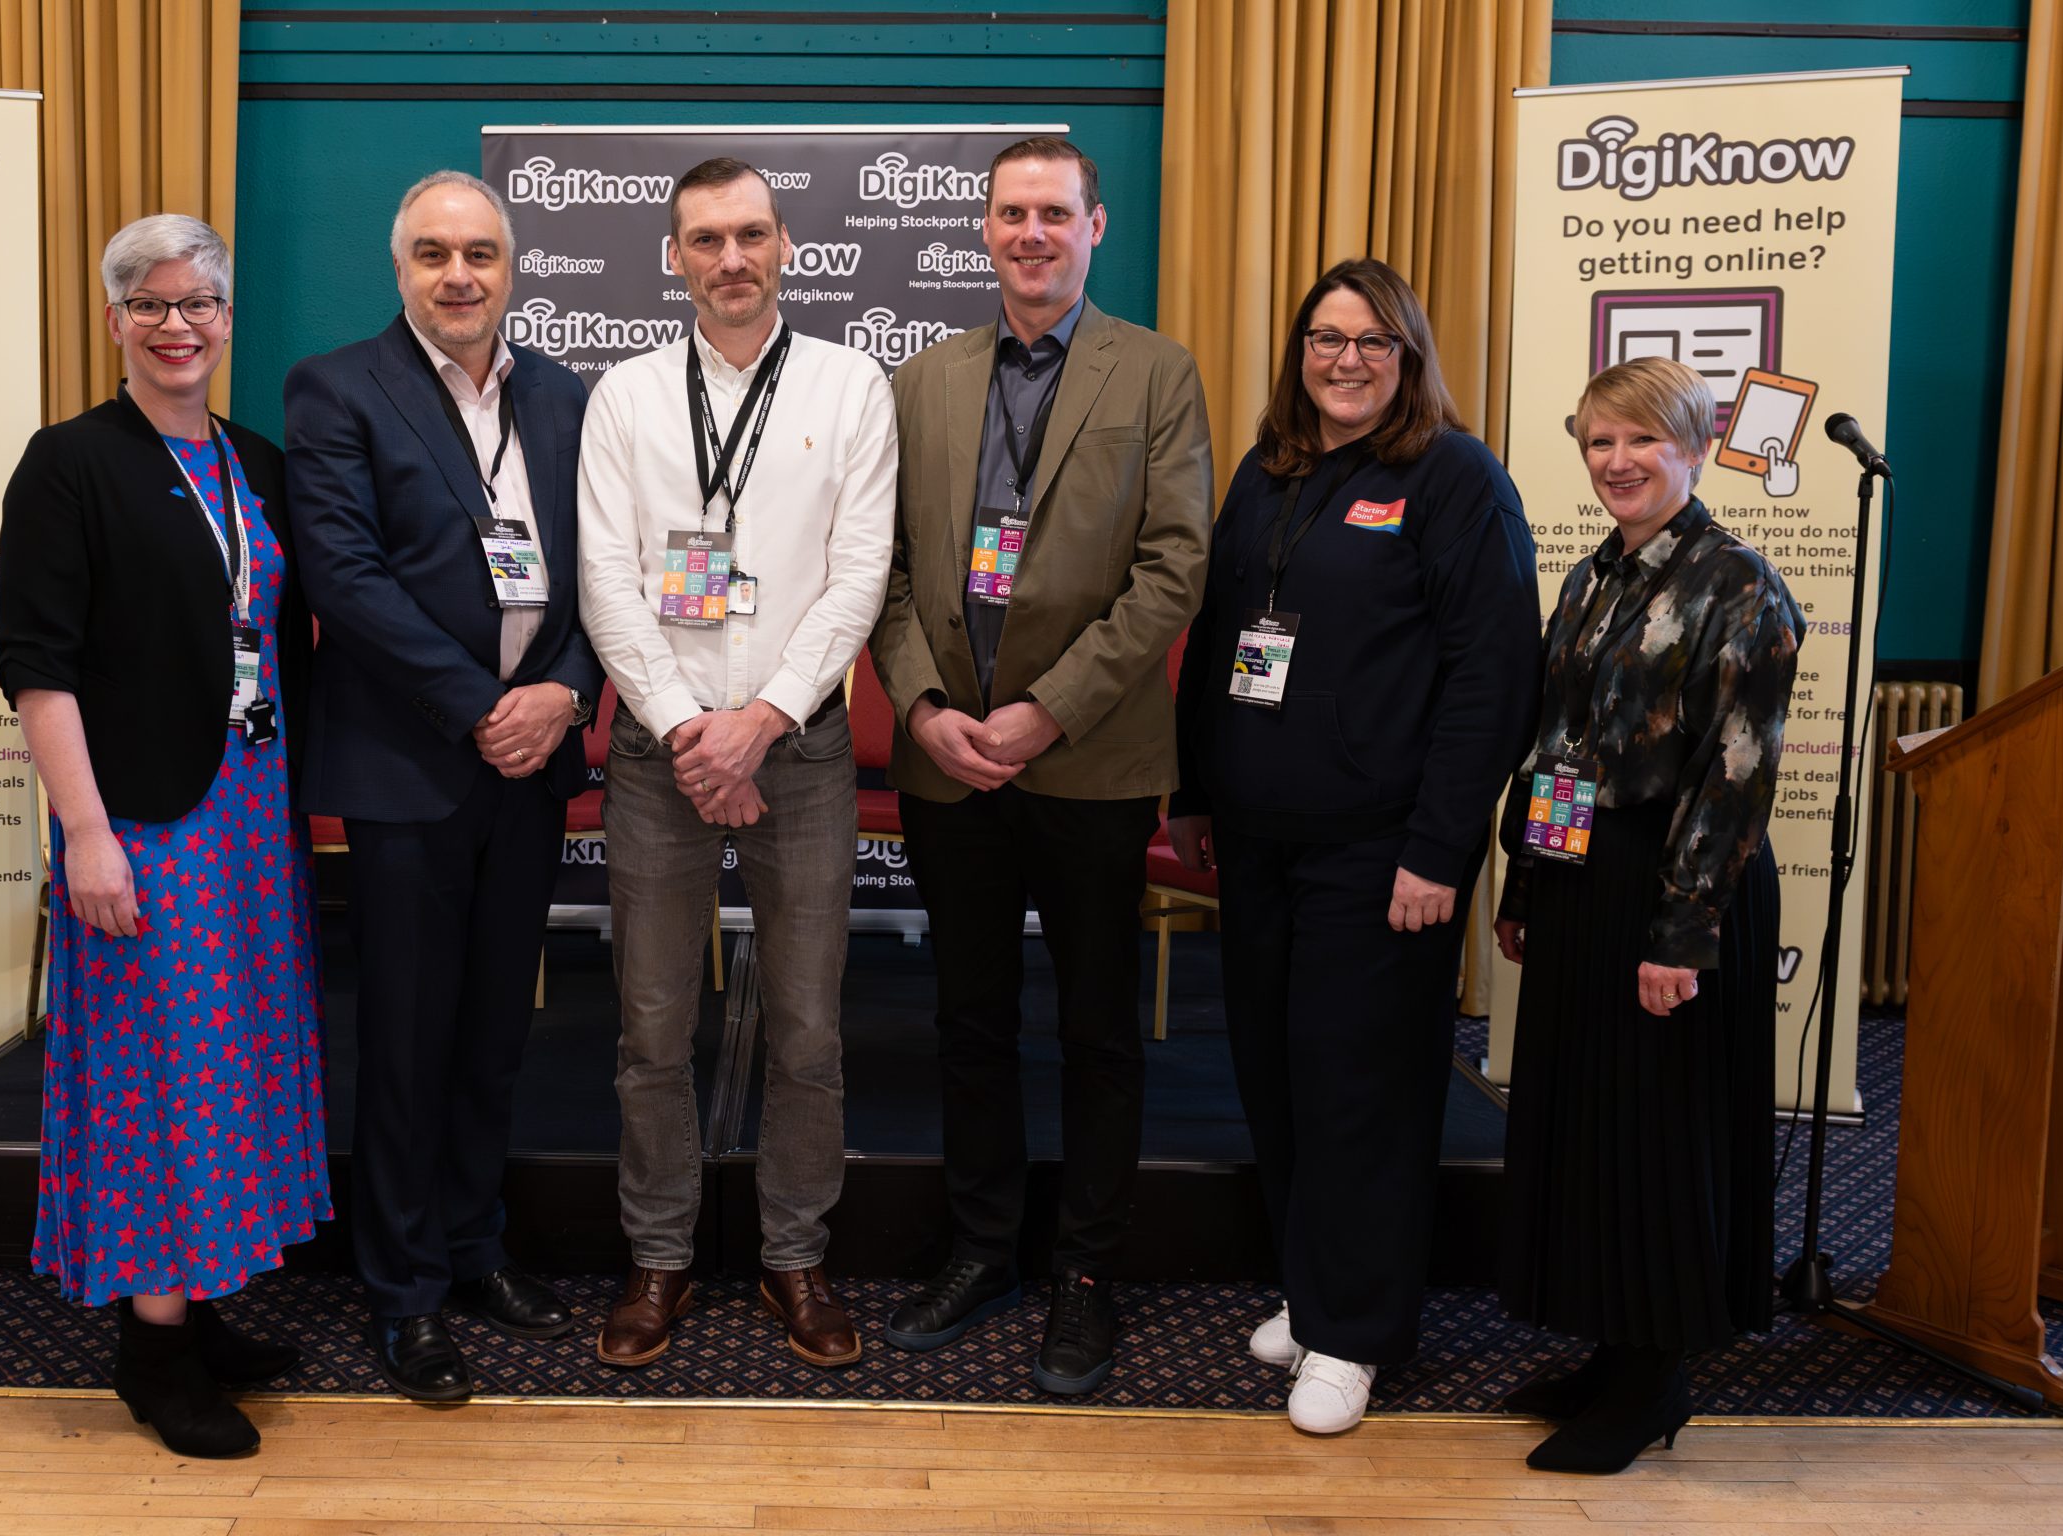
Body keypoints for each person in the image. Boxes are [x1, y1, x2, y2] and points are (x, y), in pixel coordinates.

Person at [1168, 257, 1540, 1433]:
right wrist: (1192, 795)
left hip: (1380, 852)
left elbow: (1494, 679)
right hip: (1259, 836)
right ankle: (1313, 1283)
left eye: (1372, 342)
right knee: (1278, 1075)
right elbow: (1222, 637)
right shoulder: (1269, 470)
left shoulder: (1453, 478)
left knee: (1360, 1091)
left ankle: (1359, 1330)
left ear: (1409, 354)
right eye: (1325, 339)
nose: (1345, 360)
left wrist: (1441, 852)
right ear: (1299, 352)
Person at [869, 135, 1212, 1396]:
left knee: (1096, 1031)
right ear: (983, 232)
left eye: (1053, 214)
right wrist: (919, 708)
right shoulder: (923, 381)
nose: (1031, 234)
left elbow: (1176, 566)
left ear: (1095, 226)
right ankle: (981, 1249)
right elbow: (887, 571)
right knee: (969, 1021)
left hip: (1091, 766)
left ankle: (1085, 1273)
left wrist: (1045, 715)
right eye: (1011, 214)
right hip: (950, 762)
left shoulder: (1157, 373)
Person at [0, 213, 326, 1458]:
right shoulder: (68, 462)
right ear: (116, 321)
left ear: (228, 321)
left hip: (246, 815)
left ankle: (201, 1306)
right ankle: (153, 1347)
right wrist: (84, 832)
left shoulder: (254, 463)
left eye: (199, 304)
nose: (178, 325)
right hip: (140, 822)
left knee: (230, 1064)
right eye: (150, 304)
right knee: (154, 1083)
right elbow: (36, 666)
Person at [285, 171, 603, 1403]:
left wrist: (561, 694)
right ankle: (405, 1289)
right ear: (401, 269)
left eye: (479, 253)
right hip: (412, 763)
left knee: (492, 1032)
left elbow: (603, 575)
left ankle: (475, 1247)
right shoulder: (337, 387)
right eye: (432, 254)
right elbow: (345, 579)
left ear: (511, 264)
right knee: (409, 1039)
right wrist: (483, 707)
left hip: (532, 764)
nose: (458, 275)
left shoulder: (566, 397)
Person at [576, 157, 896, 1370]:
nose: (731, 259)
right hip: (664, 756)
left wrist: (759, 718)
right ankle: (657, 1259)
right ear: (672, 257)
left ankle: (792, 1258)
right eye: (704, 238)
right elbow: (607, 578)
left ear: (787, 248)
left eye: (751, 234)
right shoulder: (626, 398)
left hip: (798, 748)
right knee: (654, 1027)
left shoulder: (850, 384)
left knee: (807, 1028)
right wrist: (683, 730)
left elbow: (856, 573)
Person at [1492, 357, 1799, 1473]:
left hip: (1680, 887)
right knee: (1587, 1124)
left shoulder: (1740, 584)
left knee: (1659, 1137)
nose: (1616, 463)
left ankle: (1654, 1381)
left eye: (1641, 443)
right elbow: (1555, 745)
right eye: (1598, 443)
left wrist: (1681, 935)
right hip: (1581, 876)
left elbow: (1734, 778)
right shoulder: (1588, 577)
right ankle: (1609, 1350)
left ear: (1696, 448)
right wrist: (1526, 881)